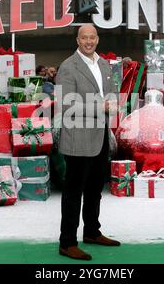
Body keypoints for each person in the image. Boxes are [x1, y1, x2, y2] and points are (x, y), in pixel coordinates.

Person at [55, 24, 120, 261]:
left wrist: (113, 102)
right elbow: (66, 105)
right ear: (77, 40)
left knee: (95, 190)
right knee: (74, 192)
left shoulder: (103, 64)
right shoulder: (68, 67)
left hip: (100, 136)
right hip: (77, 137)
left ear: (98, 39)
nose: (89, 41)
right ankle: (67, 242)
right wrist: (101, 107)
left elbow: (110, 92)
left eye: (92, 37)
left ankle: (92, 232)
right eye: (84, 38)